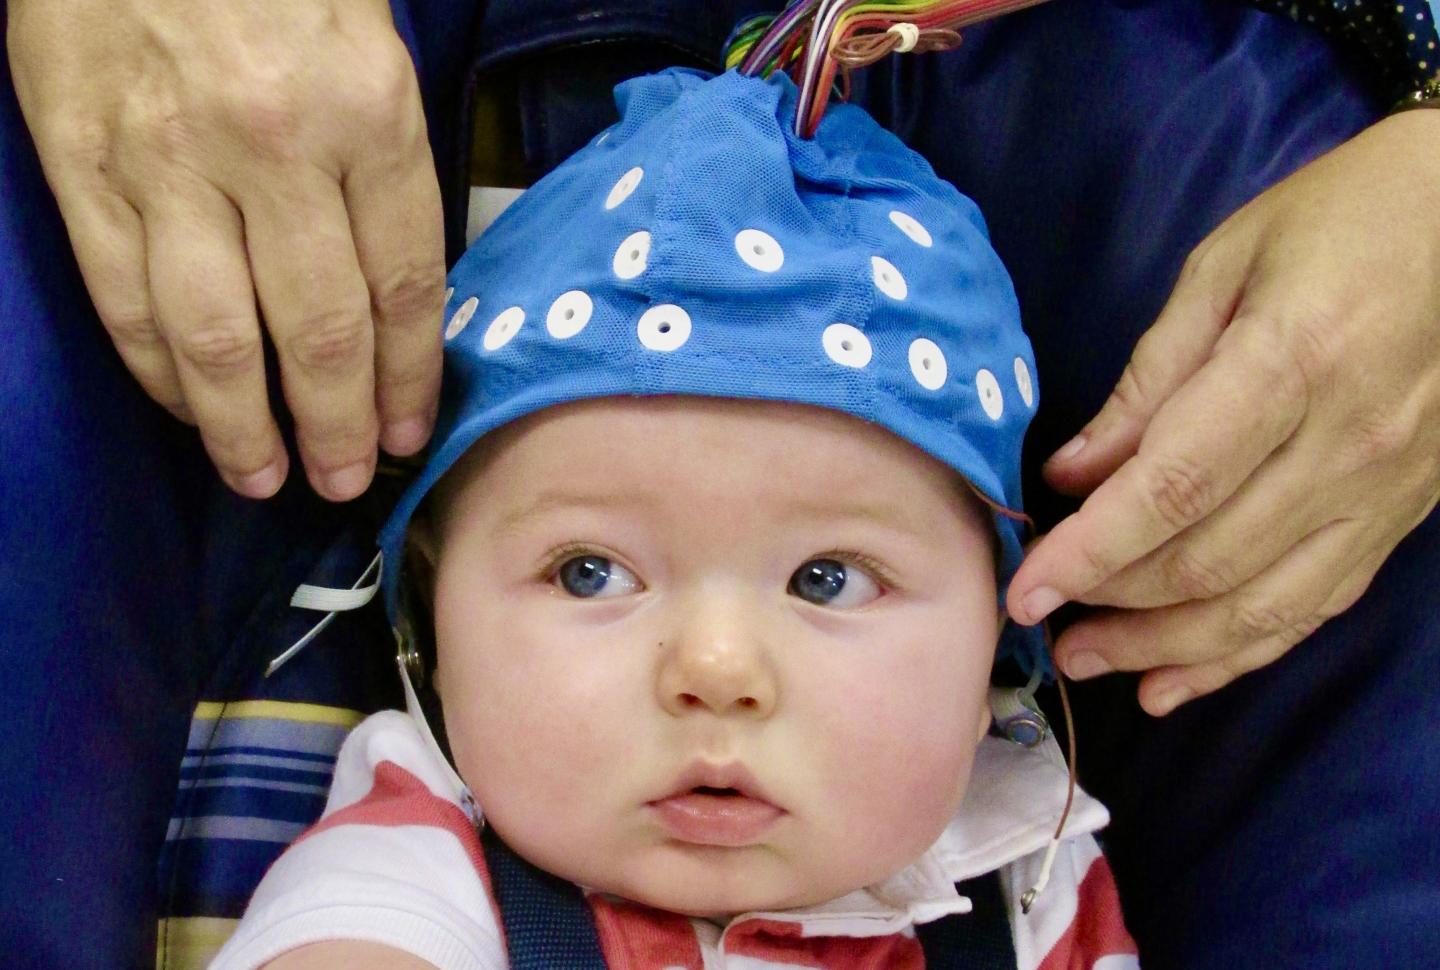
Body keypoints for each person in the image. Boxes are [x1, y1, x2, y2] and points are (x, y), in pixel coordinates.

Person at [210, 68, 1137, 970]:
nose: (716, 670)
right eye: (589, 572)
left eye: (829, 579)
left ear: (994, 653)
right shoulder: (413, 872)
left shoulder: (1032, 886)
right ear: (433, 622)